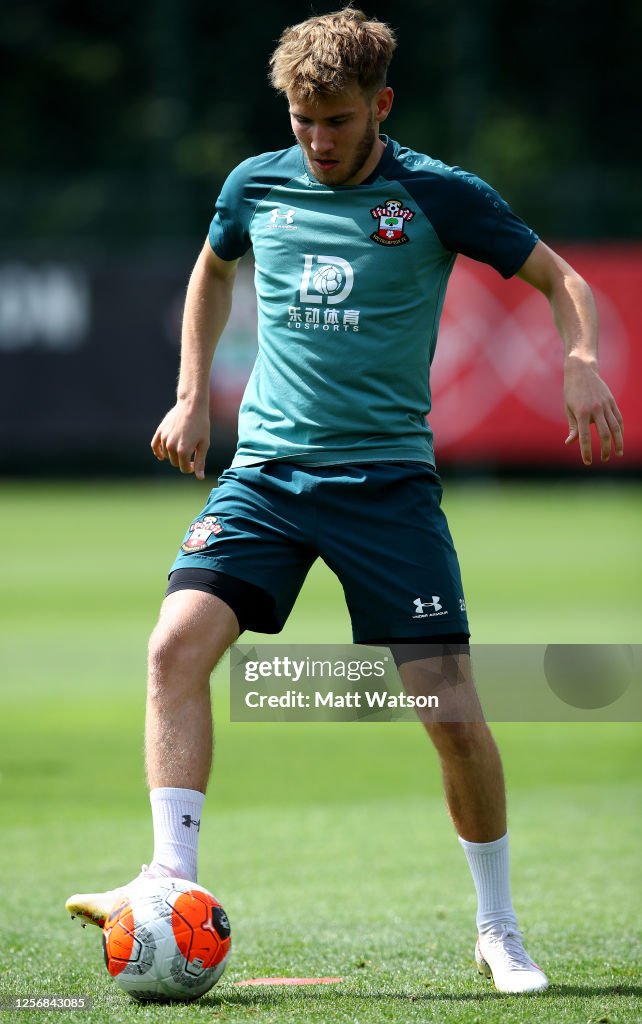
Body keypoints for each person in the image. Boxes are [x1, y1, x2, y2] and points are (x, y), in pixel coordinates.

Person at [66, 6, 624, 994]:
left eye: (337, 120)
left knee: (449, 709)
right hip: (268, 479)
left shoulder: (437, 194)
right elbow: (212, 268)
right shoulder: (254, 183)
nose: (317, 140)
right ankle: (171, 882)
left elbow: (563, 280)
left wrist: (580, 361)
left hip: (388, 488)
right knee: (173, 646)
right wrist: (194, 392)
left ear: (382, 106)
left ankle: (499, 928)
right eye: (301, 120)